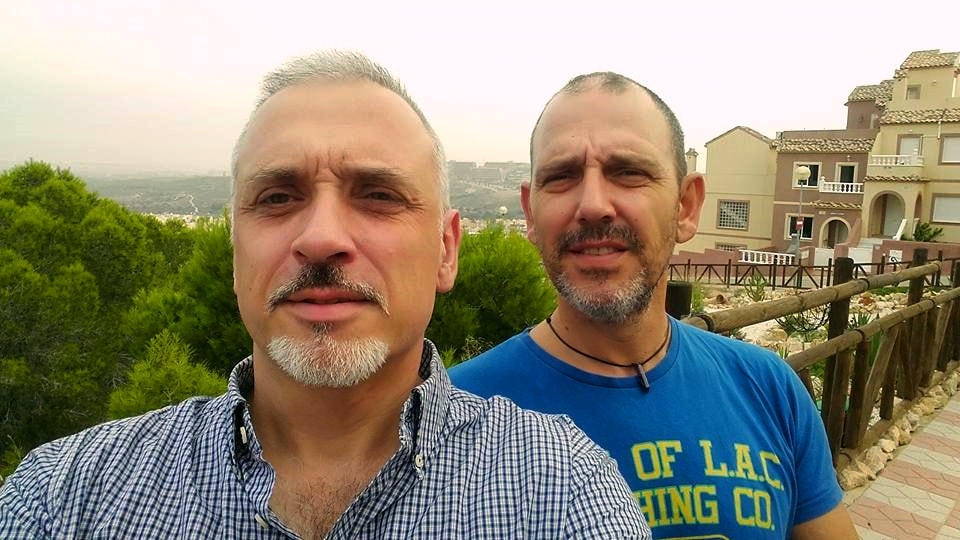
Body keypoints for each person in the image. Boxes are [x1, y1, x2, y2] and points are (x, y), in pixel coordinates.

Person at [0, 52, 650, 539]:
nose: (320, 238)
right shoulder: (67, 499)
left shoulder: (561, 495)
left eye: (378, 195)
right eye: (277, 197)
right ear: (236, 251)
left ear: (446, 250)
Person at [450, 72, 858, 539]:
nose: (594, 205)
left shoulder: (769, 388)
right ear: (530, 213)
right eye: (561, 177)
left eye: (629, 172)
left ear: (686, 206)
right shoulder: (455, 418)